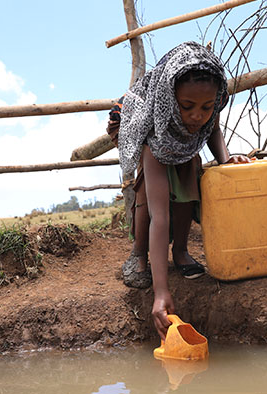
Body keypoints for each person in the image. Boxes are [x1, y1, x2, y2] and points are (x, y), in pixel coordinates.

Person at [107, 41, 250, 339]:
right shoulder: (152, 122)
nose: (198, 114)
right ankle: (138, 255)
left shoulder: (209, 106)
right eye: (188, 107)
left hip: (184, 144)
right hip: (149, 134)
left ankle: (181, 252)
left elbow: (212, 128)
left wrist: (225, 159)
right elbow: (162, 219)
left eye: (206, 107)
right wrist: (161, 293)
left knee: (187, 189)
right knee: (148, 205)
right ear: (172, 100)